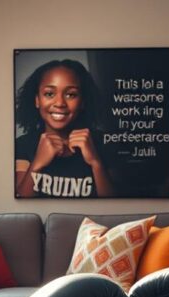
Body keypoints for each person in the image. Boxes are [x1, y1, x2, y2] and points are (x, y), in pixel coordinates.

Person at [15, 59, 114, 198]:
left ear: (82, 102)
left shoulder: (104, 142)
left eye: (71, 94)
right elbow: (20, 203)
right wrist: (37, 164)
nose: (60, 103)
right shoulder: (22, 145)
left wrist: (95, 162)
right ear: (37, 100)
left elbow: (114, 204)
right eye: (49, 94)